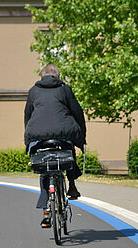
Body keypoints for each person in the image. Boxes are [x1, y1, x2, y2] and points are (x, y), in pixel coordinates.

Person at [24, 64, 86, 227]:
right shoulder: (65, 89)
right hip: (63, 134)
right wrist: (81, 137)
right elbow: (77, 112)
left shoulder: (33, 91)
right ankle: (71, 186)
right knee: (69, 150)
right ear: (57, 76)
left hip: (37, 136)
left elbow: (28, 116)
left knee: (45, 167)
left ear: (42, 76)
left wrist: (29, 137)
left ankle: (46, 209)